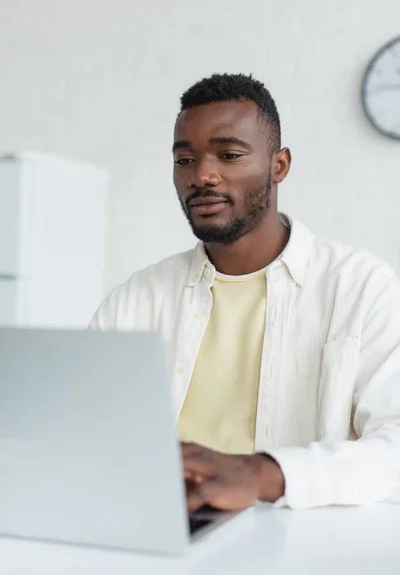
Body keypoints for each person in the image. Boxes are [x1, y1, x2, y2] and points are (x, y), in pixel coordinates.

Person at [90, 73, 400, 511]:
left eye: (229, 155)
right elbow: (86, 436)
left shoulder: (361, 288)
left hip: (302, 547)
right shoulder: (136, 300)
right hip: (162, 528)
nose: (203, 175)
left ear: (280, 165)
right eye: (184, 160)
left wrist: (262, 473)